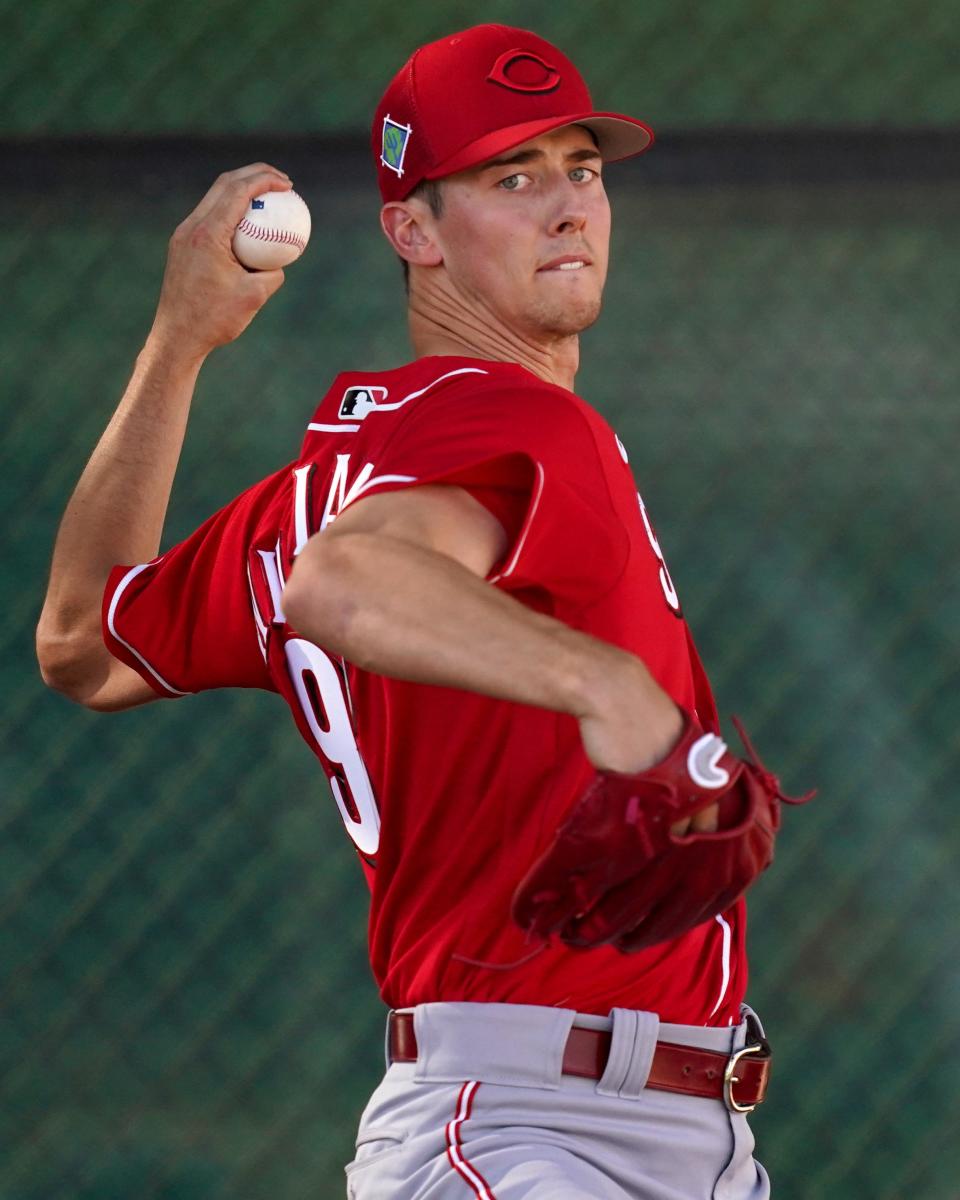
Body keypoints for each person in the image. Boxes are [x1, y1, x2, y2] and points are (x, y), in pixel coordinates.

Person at [37, 23, 801, 1200]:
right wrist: (613, 689)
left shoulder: (296, 503)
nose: (567, 207)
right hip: (533, 1132)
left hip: (636, 1129)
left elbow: (85, 640)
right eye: (510, 178)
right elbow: (346, 584)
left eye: (581, 168)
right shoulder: (514, 418)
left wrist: (179, 342)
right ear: (412, 231)